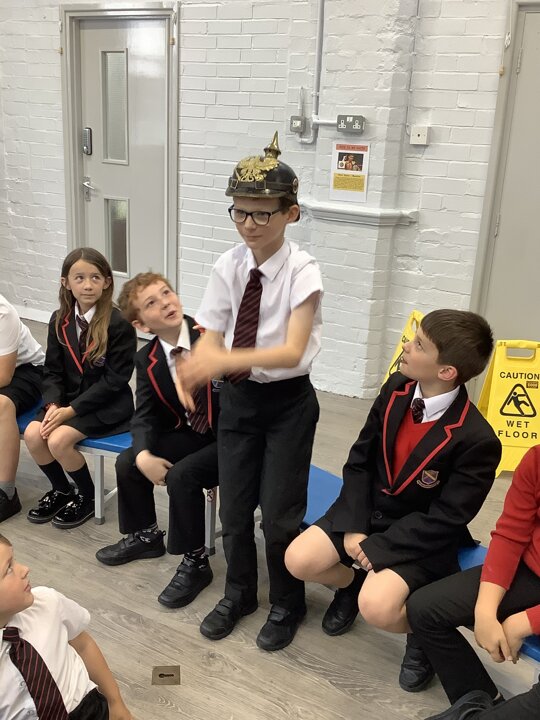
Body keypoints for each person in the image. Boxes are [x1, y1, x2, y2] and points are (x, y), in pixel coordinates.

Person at [285, 309, 502, 689]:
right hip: (368, 510)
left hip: (419, 535)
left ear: (446, 371)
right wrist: (354, 526)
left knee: (378, 608)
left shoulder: (477, 439)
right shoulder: (396, 388)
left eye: (419, 344)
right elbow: (359, 461)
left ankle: (422, 632)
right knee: (298, 560)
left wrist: (379, 548)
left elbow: (448, 517)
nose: (406, 345)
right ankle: (350, 584)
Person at [178, 132, 323, 651]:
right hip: (240, 401)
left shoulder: (303, 271)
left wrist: (220, 361)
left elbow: (291, 350)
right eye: (239, 212)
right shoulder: (228, 265)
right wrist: (200, 360)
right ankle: (239, 593)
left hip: (288, 404)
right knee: (234, 512)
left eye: (262, 214)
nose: (249, 224)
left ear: (291, 214)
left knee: (279, 515)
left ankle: (287, 601)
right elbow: (213, 330)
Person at [95, 273, 219, 609]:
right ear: (141, 325)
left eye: (166, 293)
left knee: (182, 476)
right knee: (129, 461)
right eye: (152, 302)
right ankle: (147, 535)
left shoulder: (212, 336)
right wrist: (144, 455)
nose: (165, 302)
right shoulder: (146, 358)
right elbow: (145, 415)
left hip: (230, 440)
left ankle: (196, 561)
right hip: (192, 434)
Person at [406, 444, 540, 720]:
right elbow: (512, 533)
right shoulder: (537, 459)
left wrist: (527, 621)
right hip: (532, 571)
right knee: (424, 609)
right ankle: (480, 702)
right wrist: (485, 610)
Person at [24, 248, 136, 529]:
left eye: (95, 277)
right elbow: (52, 371)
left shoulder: (119, 323)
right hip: (66, 402)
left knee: (58, 440)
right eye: (80, 278)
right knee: (34, 435)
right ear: (66, 283)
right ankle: (63, 490)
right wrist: (53, 405)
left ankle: (88, 496)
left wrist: (69, 411)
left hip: (108, 405)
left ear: (107, 282)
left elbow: (115, 381)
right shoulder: (59, 320)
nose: (88, 285)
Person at [0, 533, 132, 719]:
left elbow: (83, 644)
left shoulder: (48, 603)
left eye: (15, 560)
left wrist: (115, 703)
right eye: (8, 569)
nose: (24, 569)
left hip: (88, 709)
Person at [0, 294, 45, 522]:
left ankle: (6, 494)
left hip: (27, 370)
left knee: (1, 405)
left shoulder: (3, 312)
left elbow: (4, 376)